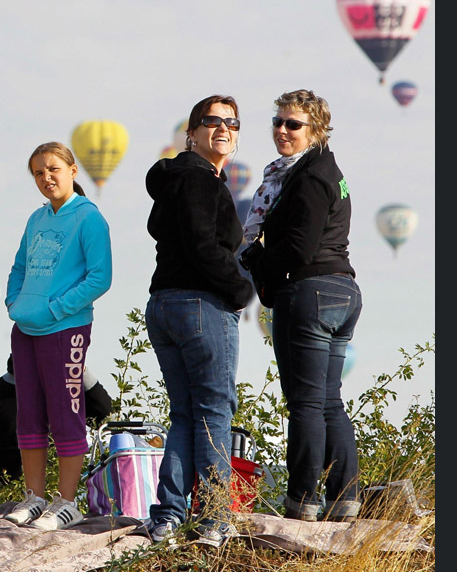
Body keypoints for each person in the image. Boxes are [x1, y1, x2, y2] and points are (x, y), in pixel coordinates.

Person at [238, 89, 361, 523]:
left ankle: (303, 500)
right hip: (342, 290)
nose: (282, 130)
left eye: (294, 124)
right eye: (278, 121)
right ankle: (346, 497)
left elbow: (299, 248)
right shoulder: (329, 170)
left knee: (307, 403)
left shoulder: (307, 177)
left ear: (316, 130)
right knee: (328, 400)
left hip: (310, 291)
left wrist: (256, 260)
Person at [142, 95, 254, 548]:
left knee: (187, 413)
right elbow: (203, 246)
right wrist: (241, 289)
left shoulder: (174, 180)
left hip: (163, 305)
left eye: (232, 122)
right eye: (212, 121)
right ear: (191, 132)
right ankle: (212, 519)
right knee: (214, 412)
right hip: (200, 305)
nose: (223, 129)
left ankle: (168, 517)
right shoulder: (199, 181)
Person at [0, 142, 112, 531]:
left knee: (66, 413)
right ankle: (35, 498)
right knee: (28, 413)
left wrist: (55, 309)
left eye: (53, 169)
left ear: (72, 169)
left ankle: (67, 502)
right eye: (37, 172)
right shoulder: (37, 218)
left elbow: (100, 277)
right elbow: (18, 266)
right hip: (25, 328)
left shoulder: (89, 219)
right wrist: (15, 303)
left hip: (65, 329)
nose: (46, 177)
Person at [0, 354, 113, 508]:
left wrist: (79, 369)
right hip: (4, 498)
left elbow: (107, 418)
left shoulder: (66, 391)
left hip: (60, 498)